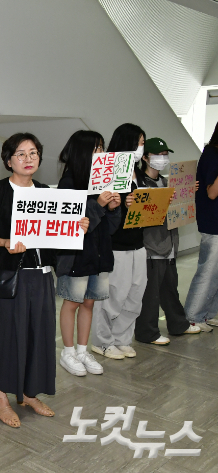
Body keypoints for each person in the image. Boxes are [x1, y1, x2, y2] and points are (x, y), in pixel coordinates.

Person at [0, 133, 89, 428]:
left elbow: (56, 236)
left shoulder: (46, 191)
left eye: (34, 153)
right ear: (9, 159)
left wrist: (78, 227)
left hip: (41, 277)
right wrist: (4, 241)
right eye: (21, 154)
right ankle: (1, 397)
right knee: (6, 338)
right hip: (9, 279)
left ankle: (28, 393)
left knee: (38, 336)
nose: (28, 159)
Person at [55, 131, 122, 376]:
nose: (101, 154)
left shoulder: (103, 182)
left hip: (99, 254)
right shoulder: (69, 182)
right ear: (83, 152)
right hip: (75, 255)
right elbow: (74, 227)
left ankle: (83, 350)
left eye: (102, 148)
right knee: (71, 302)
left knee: (89, 302)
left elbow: (110, 228)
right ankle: (68, 352)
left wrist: (114, 209)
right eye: (96, 149)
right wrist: (99, 205)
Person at [135, 137, 201, 344]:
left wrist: (187, 194)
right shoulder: (140, 185)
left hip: (170, 244)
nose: (162, 159)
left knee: (170, 287)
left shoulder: (166, 182)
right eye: (158, 155)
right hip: (151, 246)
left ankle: (178, 324)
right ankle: (148, 332)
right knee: (151, 293)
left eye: (165, 155)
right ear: (145, 157)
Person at [91, 123, 147, 360]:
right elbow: (103, 207)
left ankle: (122, 337)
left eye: (143, 144)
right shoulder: (110, 170)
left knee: (135, 292)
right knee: (112, 295)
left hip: (138, 242)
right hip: (117, 243)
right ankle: (102, 340)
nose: (141, 148)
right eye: (139, 143)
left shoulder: (140, 172)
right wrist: (123, 204)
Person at [185, 122, 218, 330]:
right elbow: (212, 192)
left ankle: (209, 313)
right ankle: (193, 315)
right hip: (213, 223)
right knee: (208, 271)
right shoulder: (211, 154)